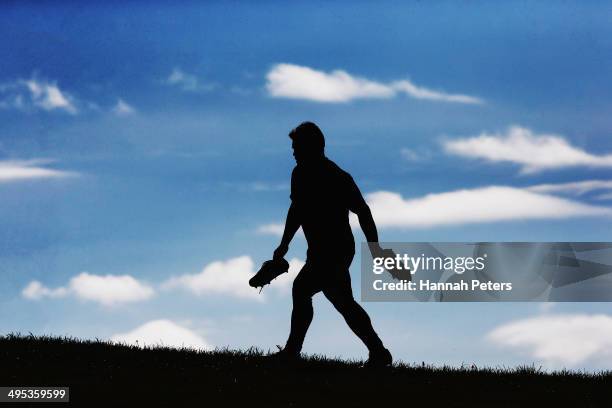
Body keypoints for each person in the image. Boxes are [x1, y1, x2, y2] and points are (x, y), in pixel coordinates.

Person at [272, 121, 392, 367]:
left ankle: (292, 351)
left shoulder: (336, 176)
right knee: (342, 302)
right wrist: (284, 244)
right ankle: (379, 352)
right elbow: (297, 209)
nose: (293, 152)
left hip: (336, 250)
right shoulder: (299, 174)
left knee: (303, 289)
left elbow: (363, 211)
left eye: (297, 147)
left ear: (313, 147)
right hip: (317, 250)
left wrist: (375, 247)